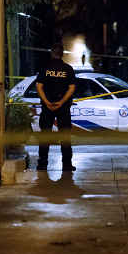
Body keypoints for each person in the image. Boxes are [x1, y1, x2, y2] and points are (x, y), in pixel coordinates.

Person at [36, 43, 77, 171]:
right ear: (62, 53)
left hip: (47, 105)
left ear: (52, 53)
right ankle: (66, 164)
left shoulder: (45, 68)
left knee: (45, 135)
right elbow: (72, 88)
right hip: (63, 107)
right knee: (65, 136)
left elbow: (39, 87)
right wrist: (62, 102)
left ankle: (42, 164)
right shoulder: (68, 69)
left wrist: (47, 102)